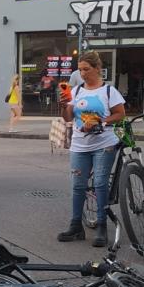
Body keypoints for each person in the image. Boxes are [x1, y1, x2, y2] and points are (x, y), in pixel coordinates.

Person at [58, 51, 126, 246]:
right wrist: (62, 106)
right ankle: (76, 226)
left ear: (97, 69)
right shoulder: (77, 91)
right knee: (78, 185)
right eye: (80, 70)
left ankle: (102, 227)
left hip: (104, 144)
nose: (82, 73)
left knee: (100, 184)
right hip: (79, 145)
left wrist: (101, 122)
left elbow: (120, 114)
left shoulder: (108, 91)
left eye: (86, 69)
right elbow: (68, 118)